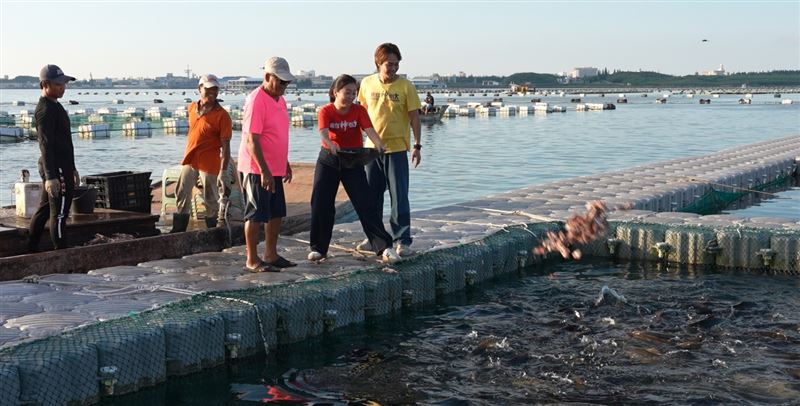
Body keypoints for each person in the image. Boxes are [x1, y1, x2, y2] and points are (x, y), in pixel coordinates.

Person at [308, 74, 400, 264]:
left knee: (365, 204)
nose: (351, 96)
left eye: (354, 93)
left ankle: (384, 247)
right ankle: (318, 248)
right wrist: (331, 144)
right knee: (321, 203)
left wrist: (379, 145)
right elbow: (323, 133)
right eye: (347, 92)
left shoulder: (359, 110)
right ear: (335, 92)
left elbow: (370, 131)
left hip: (353, 160)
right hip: (329, 159)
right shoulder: (326, 111)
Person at [357, 43, 422, 257]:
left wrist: (417, 145)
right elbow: (361, 114)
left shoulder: (406, 86)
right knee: (372, 197)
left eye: (396, 64)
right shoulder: (367, 84)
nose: (393, 68)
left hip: (397, 148)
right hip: (371, 150)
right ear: (378, 63)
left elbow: (414, 117)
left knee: (399, 195)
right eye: (389, 64)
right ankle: (374, 238)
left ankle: (402, 239)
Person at [237, 57, 297, 272]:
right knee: (255, 213)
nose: (283, 86)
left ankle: (270, 254)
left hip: (275, 166)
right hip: (256, 168)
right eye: (280, 81)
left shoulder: (280, 100)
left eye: (286, 82)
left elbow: (277, 135)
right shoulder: (256, 100)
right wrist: (263, 170)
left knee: (276, 212)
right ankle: (252, 259)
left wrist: (284, 162)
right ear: (267, 77)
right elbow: (251, 139)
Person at [170, 74, 232, 232]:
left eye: (215, 89)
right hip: (190, 159)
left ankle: (213, 231)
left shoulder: (222, 115)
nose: (212, 92)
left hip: (210, 162)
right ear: (200, 89)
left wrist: (223, 172)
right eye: (208, 89)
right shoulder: (192, 108)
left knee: (210, 198)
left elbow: (226, 146)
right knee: (181, 192)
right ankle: (178, 230)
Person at [27, 64, 79, 252]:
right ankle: (61, 252)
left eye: (64, 83)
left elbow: (63, 142)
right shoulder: (45, 110)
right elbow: (45, 144)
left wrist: (72, 167)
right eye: (58, 84)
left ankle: (32, 248)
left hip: (62, 166)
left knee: (44, 210)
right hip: (55, 167)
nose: (62, 87)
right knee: (59, 214)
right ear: (45, 84)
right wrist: (51, 176)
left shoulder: (55, 106)